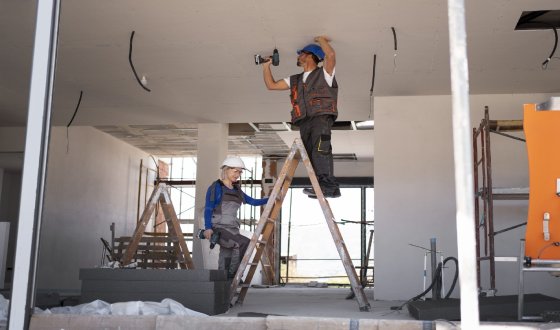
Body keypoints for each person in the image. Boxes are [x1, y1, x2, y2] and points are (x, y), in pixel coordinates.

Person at [262, 35, 340, 198]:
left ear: (311, 56)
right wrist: (265, 66)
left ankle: (329, 186)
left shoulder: (324, 74)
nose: (299, 56)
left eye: (302, 53)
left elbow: (330, 55)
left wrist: (321, 40)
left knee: (321, 150)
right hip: (304, 121)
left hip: (321, 118)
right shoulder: (295, 80)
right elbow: (271, 85)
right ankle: (321, 186)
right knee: (311, 154)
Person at [202, 156, 269, 279]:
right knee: (244, 242)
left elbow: (253, 201)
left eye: (240, 172)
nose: (238, 174)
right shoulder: (216, 187)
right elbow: (208, 208)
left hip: (232, 229)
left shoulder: (237, 190)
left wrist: (270, 199)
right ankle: (235, 275)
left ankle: (224, 282)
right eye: (235, 171)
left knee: (226, 257)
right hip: (219, 228)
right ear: (226, 170)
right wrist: (208, 228)